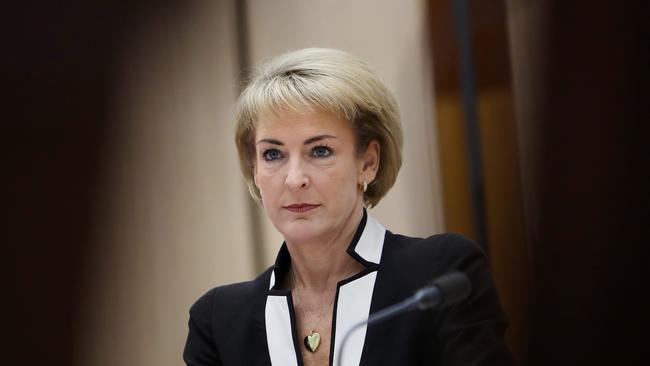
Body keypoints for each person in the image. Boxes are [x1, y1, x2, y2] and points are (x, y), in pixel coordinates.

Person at [183, 48, 514, 366]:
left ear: (368, 162)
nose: (294, 179)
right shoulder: (218, 321)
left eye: (320, 151)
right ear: (254, 169)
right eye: (273, 154)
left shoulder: (438, 278)